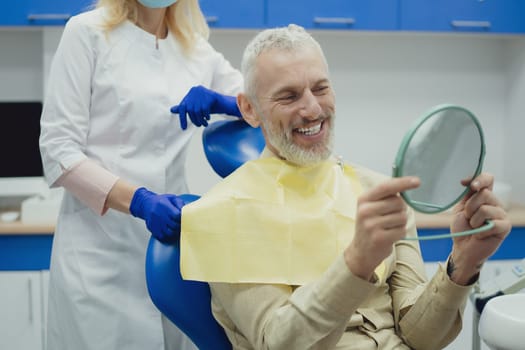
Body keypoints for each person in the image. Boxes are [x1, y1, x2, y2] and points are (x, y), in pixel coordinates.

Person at [179, 24, 512, 350]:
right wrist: (356, 262)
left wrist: (463, 263)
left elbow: (421, 338)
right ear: (249, 109)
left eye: (321, 89)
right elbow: (278, 342)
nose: (312, 109)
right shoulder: (223, 215)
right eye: (289, 96)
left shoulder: (378, 194)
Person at [38, 0, 243, 349]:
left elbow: (267, 103)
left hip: (171, 258)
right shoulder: (86, 32)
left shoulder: (195, 50)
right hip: (98, 259)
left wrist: (224, 102)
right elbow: (58, 150)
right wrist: (139, 201)